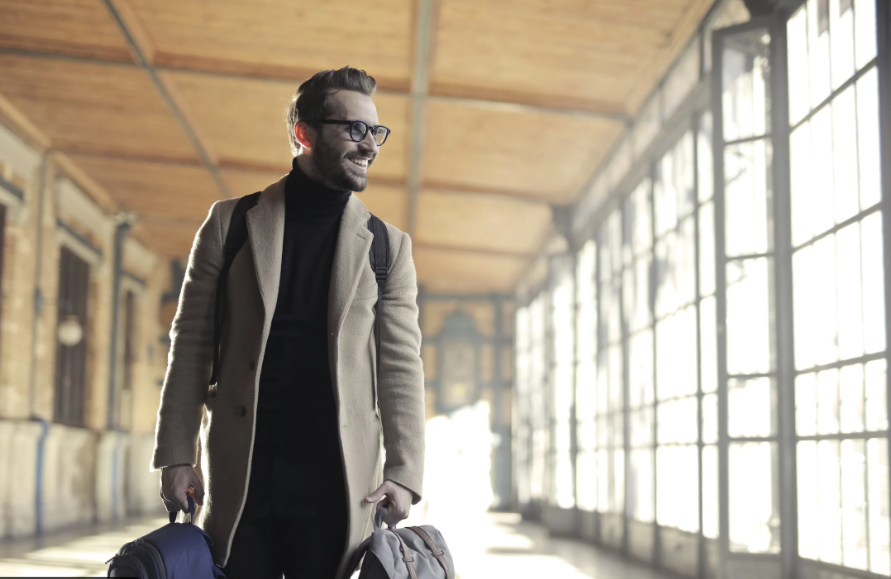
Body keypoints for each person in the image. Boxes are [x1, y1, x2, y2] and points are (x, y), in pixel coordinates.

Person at [150, 66, 426, 579]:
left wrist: (405, 473)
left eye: (376, 132)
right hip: (242, 475)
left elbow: (401, 366)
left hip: (340, 484)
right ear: (303, 133)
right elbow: (189, 345)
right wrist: (175, 453)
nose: (370, 145)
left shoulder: (389, 247)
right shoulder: (230, 223)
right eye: (354, 129)